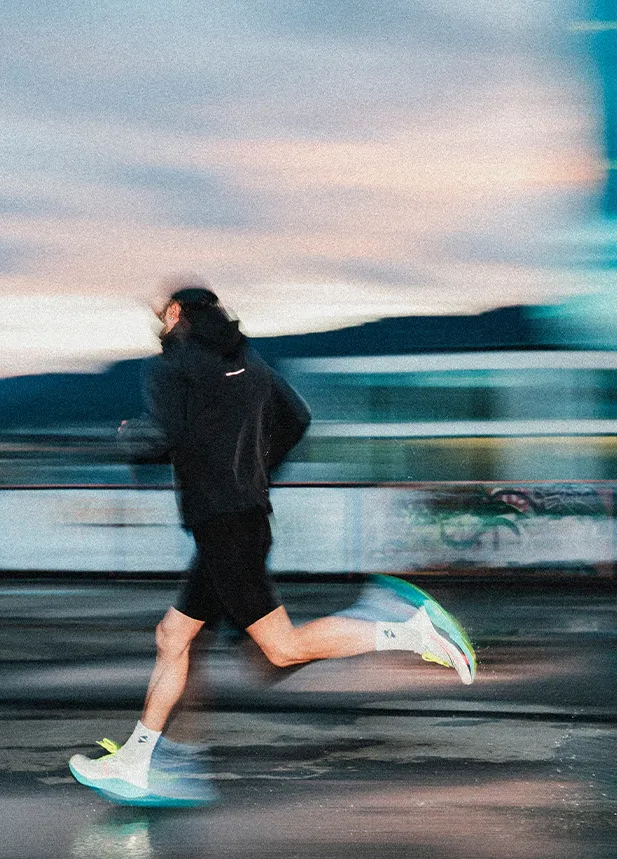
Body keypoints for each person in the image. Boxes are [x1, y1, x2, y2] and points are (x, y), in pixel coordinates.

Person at [69, 285, 476, 805]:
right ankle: (138, 760)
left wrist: (134, 442)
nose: (158, 324)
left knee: (282, 650)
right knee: (173, 636)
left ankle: (405, 627)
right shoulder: (249, 362)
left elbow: (167, 439)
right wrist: (255, 472)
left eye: (161, 315)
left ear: (176, 313)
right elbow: (298, 419)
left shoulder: (173, 367)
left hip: (223, 528)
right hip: (241, 521)